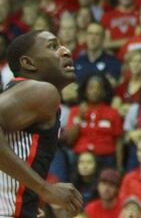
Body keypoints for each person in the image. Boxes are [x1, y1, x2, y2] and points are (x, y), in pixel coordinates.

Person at [0, 30, 83, 216]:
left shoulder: (21, 95)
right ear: (28, 63)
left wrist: (29, 201)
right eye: (53, 46)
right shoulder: (42, 91)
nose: (66, 51)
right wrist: (44, 189)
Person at [64, 74, 123, 169]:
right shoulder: (75, 111)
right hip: (81, 158)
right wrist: (79, 117)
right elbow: (70, 140)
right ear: (85, 91)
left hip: (105, 158)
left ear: (104, 91)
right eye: (91, 88)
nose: (95, 91)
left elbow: (118, 142)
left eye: (98, 88)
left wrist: (119, 166)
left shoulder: (113, 113)